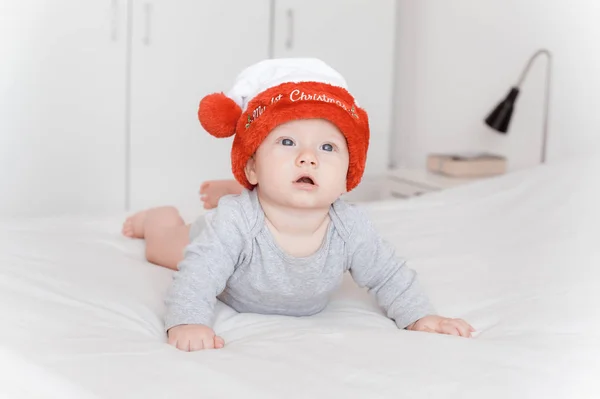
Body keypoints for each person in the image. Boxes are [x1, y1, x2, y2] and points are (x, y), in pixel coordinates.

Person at [122, 58, 475, 352]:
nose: (308, 158)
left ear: (348, 176)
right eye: (288, 142)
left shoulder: (350, 227)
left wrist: (420, 316)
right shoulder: (234, 222)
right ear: (252, 165)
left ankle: (243, 188)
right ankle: (157, 217)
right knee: (164, 246)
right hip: (220, 240)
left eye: (327, 148)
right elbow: (198, 278)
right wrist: (188, 322)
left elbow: (389, 274)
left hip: (254, 201)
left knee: (267, 194)